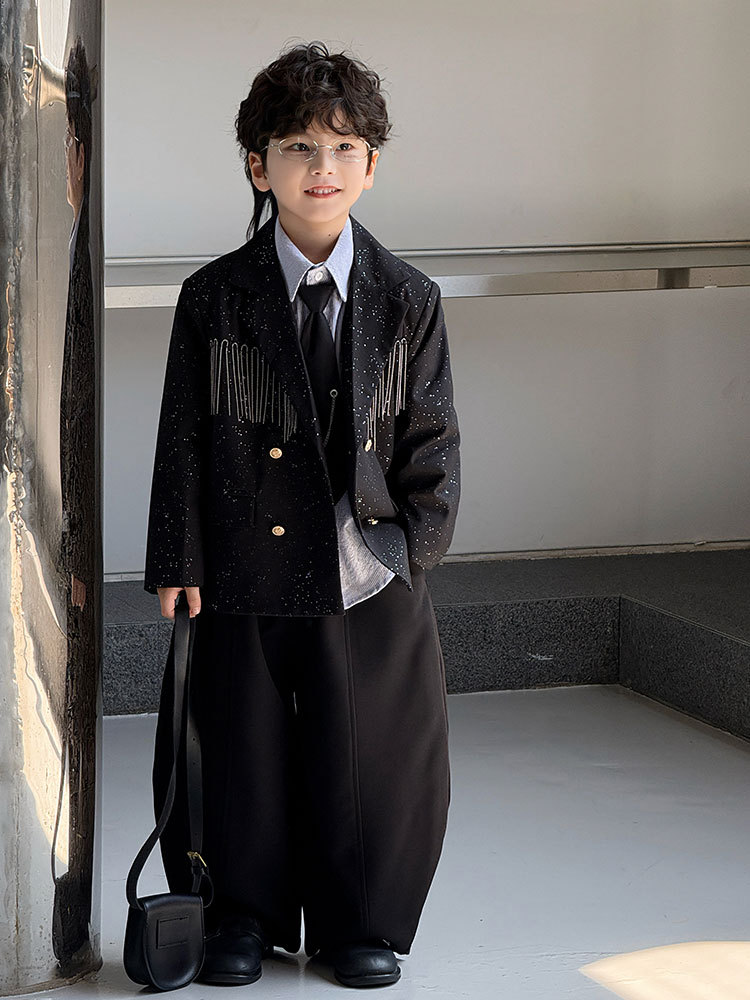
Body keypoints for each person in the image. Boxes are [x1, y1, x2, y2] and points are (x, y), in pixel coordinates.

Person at [144, 40, 461, 989]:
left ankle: (362, 921)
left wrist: (409, 551)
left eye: (344, 148)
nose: (322, 167)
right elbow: (182, 437)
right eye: (298, 147)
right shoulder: (214, 297)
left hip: (364, 567)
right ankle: (240, 914)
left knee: (370, 752)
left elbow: (432, 440)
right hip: (241, 564)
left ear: (371, 165)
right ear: (259, 165)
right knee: (239, 745)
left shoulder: (408, 298)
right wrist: (178, 558)